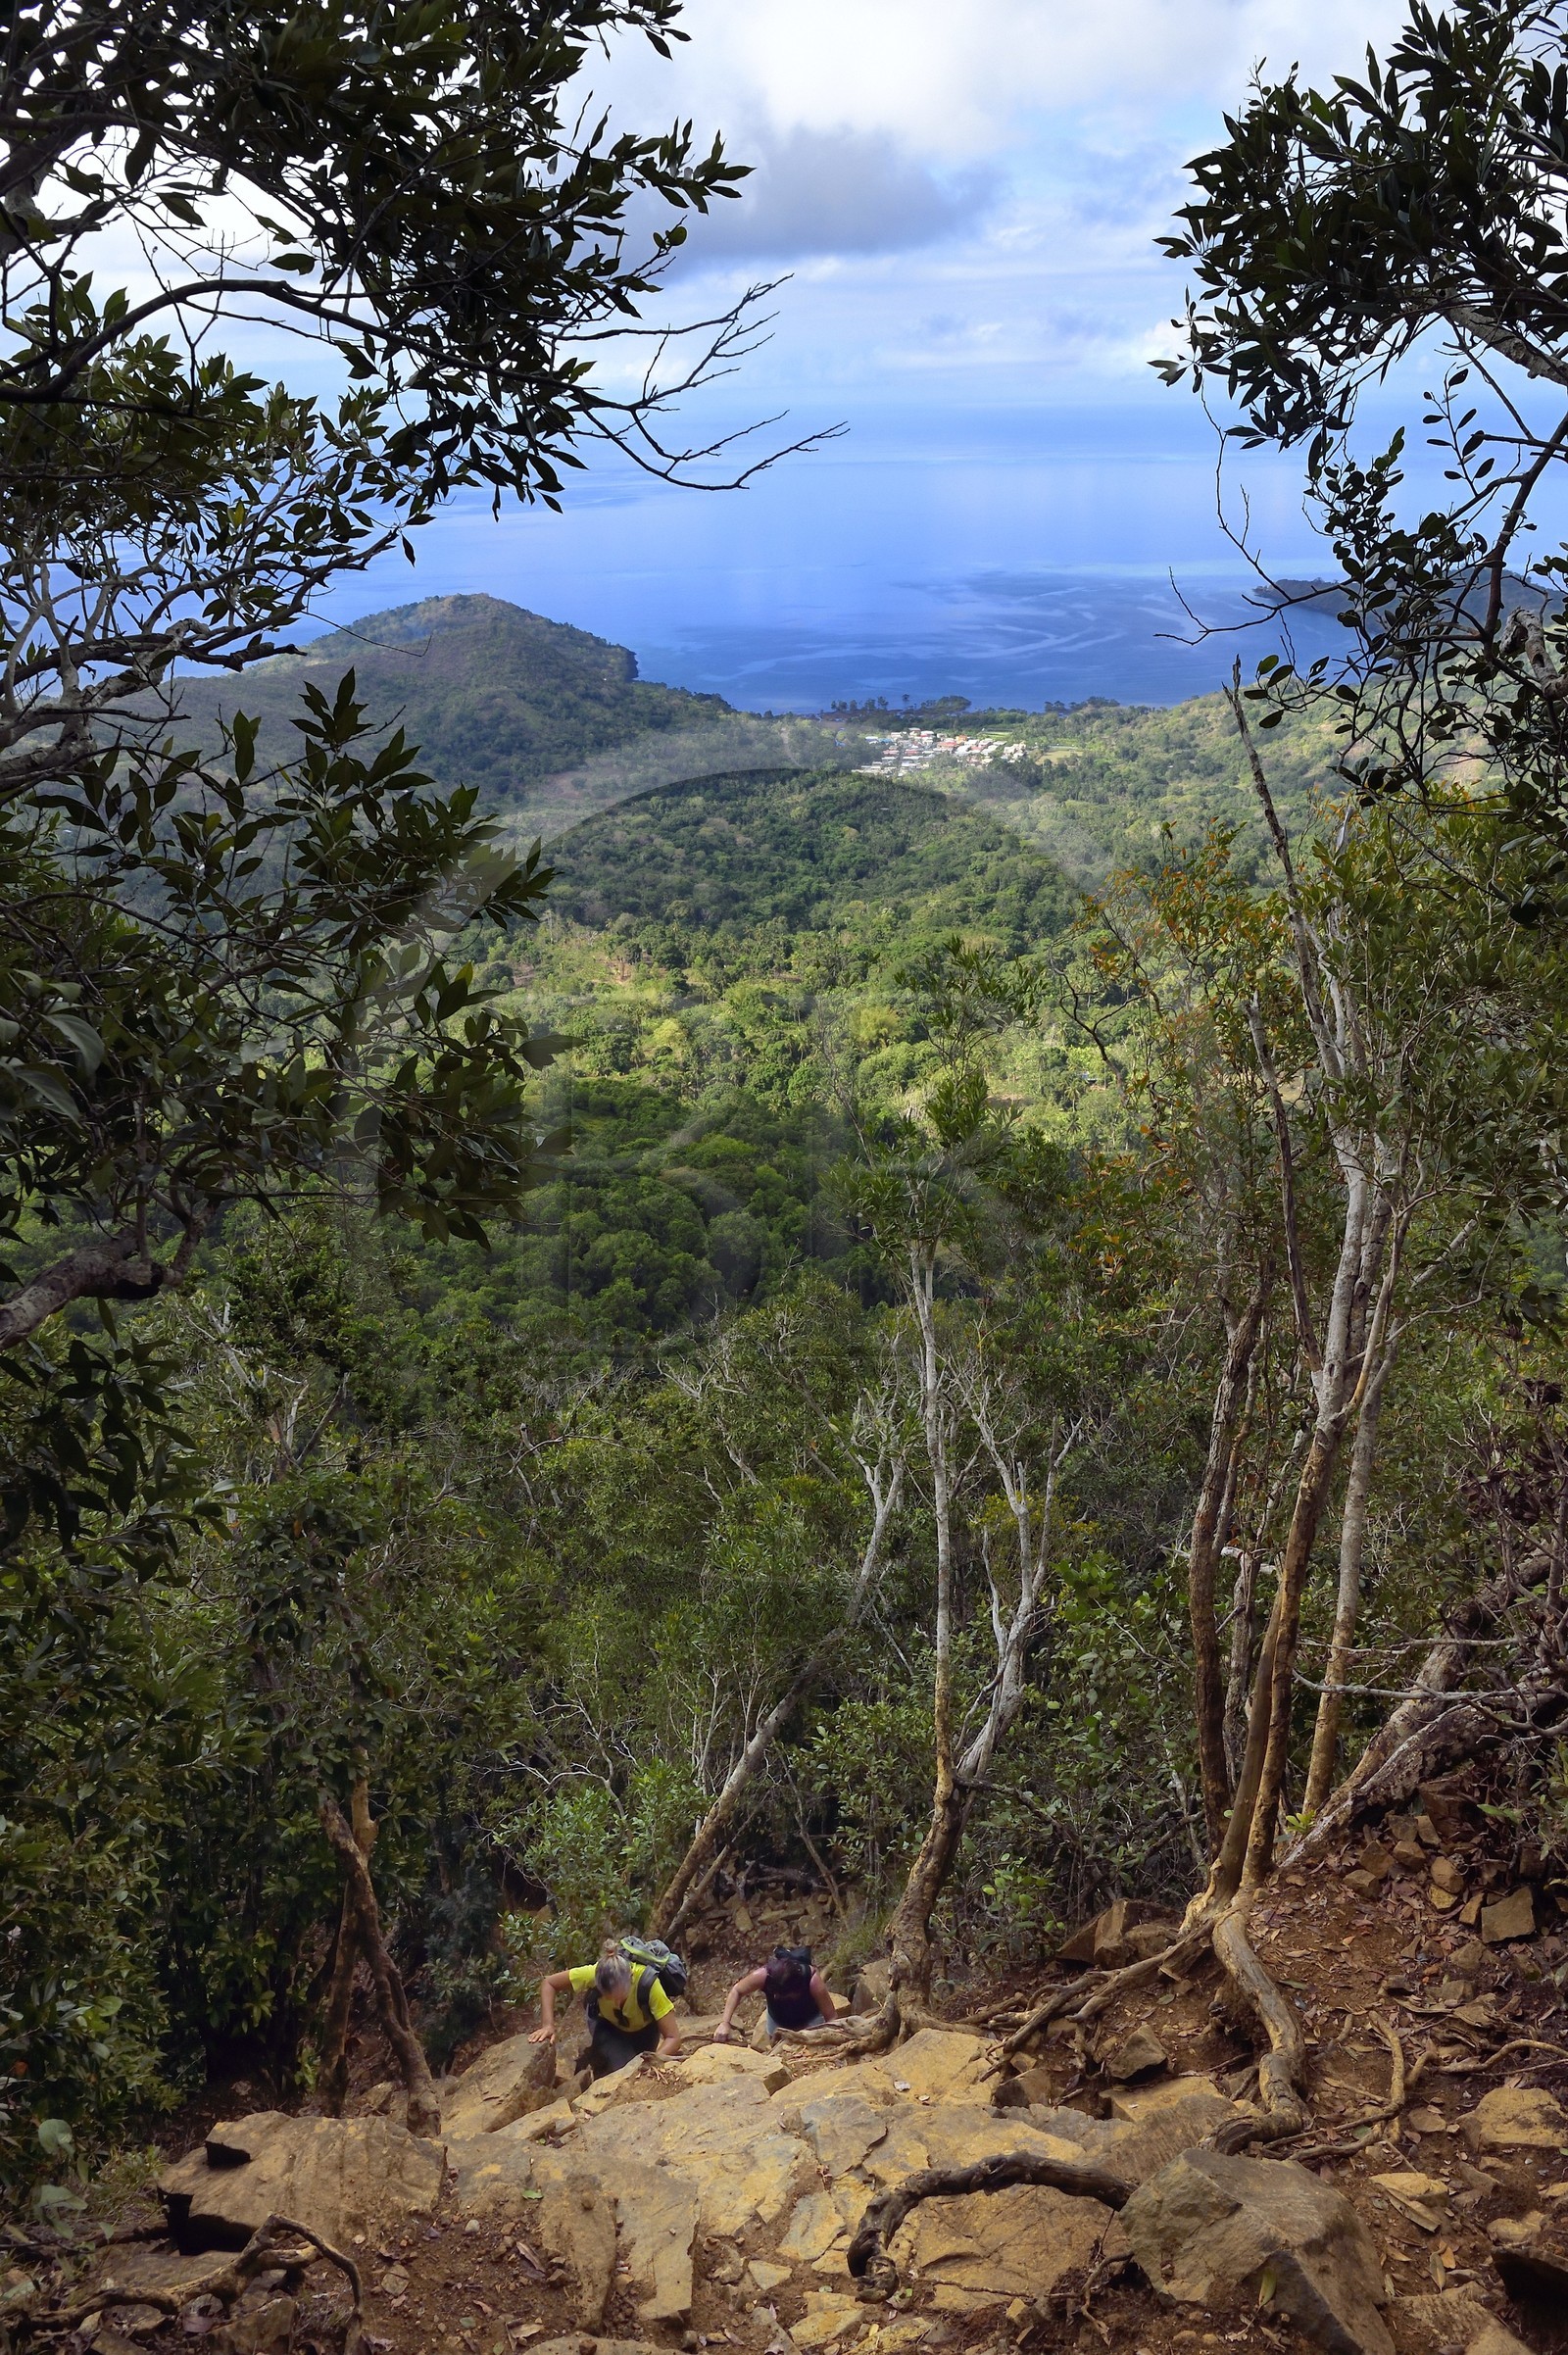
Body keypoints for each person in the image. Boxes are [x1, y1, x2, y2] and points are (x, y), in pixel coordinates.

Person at [530, 1947, 683, 2079]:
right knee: (624, 2069)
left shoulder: (648, 1984)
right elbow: (549, 1983)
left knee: (640, 2065)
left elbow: (673, 2037)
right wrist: (548, 2024)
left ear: (631, 1978)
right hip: (607, 2025)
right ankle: (600, 2058)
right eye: (609, 1998)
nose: (617, 2004)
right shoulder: (592, 1973)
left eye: (620, 1997)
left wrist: (654, 2060)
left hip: (644, 2029)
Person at [712, 1944, 837, 2043]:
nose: (776, 1997)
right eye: (774, 1993)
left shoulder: (812, 1980)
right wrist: (725, 2023)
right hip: (777, 2019)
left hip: (810, 2019)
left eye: (781, 1994)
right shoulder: (763, 1975)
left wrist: (828, 2037)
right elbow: (736, 1991)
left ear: (796, 1990)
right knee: (777, 2050)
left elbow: (831, 2017)